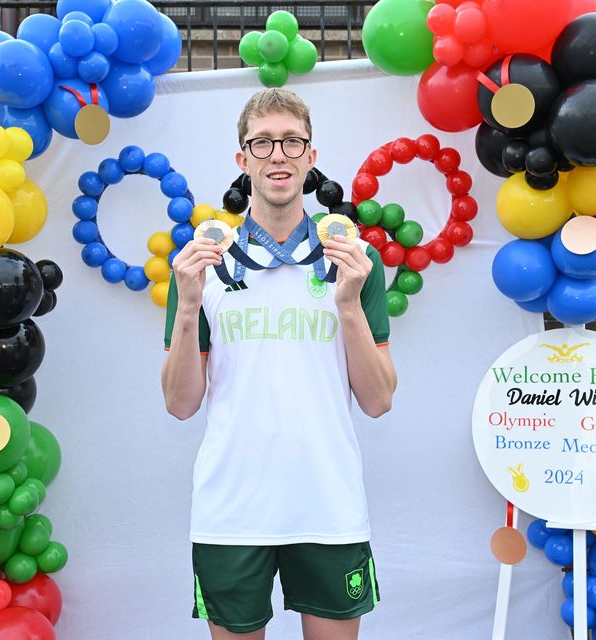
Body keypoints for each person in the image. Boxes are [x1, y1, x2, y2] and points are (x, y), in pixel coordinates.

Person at [161, 88, 397, 640]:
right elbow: (178, 404)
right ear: (243, 161)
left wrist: (347, 305)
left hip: (327, 504)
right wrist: (190, 302)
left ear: (311, 157)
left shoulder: (355, 261)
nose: (278, 155)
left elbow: (379, 399)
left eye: (292, 142)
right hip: (231, 510)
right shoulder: (203, 264)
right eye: (262, 143)